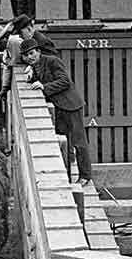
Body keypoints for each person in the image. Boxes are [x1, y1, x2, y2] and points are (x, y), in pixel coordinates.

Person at [20, 38, 93, 185]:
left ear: (39, 52)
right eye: (26, 55)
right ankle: (66, 176)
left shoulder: (53, 61)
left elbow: (64, 81)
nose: (30, 57)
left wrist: (44, 87)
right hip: (59, 107)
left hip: (71, 105)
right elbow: (42, 77)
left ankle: (85, 175)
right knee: (63, 142)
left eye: (32, 53)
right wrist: (31, 77)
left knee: (79, 142)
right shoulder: (35, 65)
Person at [0, 14, 57, 99]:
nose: (19, 36)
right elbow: (10, 66)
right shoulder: (10, 48)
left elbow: (50, 62)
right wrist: (4, 90)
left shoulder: (18, 42)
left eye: (20, 33)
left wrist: (32, 68)